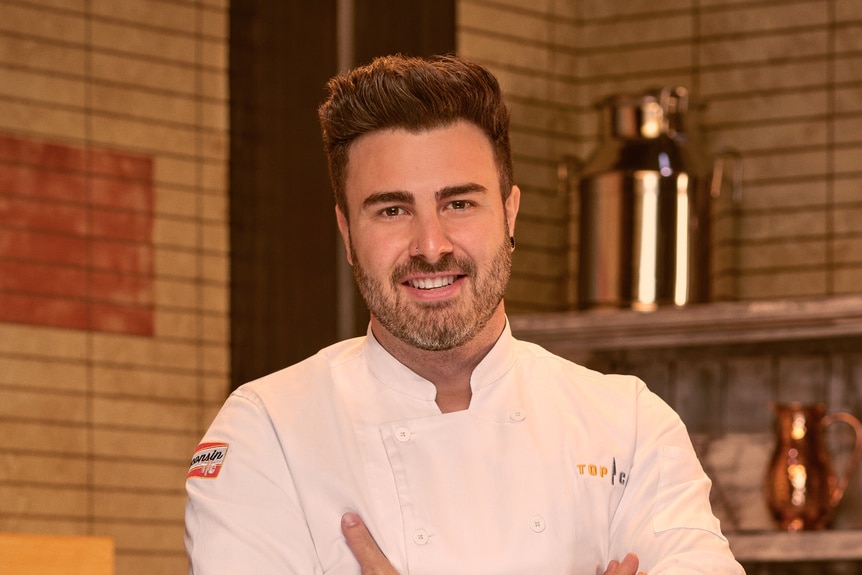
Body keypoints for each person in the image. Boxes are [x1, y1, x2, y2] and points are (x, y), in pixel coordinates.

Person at [184, 54, 744, 575]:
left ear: (510, 213)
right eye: (392, 209)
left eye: (459, 203)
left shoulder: (629, 424)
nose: (431, 244)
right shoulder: (267, 432)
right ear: (347, 235)